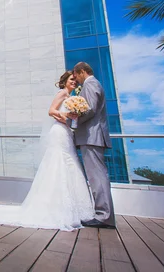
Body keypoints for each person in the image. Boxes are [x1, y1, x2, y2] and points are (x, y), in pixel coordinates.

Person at [0, 71, 95, 231]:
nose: (74, 83)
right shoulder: (62, 93)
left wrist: (73, 117)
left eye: (76, 81)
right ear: (64, 81)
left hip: (67, 133)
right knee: (58, 162)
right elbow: (51, 111)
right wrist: (66, 115)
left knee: (69, 162)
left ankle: (76, 209)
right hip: (58, 132)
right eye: (72, 80)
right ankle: (56, 208)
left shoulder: (71, 97)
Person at [69, 62, 115, 229]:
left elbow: (90, 109)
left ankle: (103, 216)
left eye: (76, 76)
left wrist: (73, 120)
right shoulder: (94, 84)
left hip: (91, 136)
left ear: (82, 72)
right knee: (97, 175)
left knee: (98, 177)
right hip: (93, 137)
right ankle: (103, 215)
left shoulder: (91, 83)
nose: (77, 80)